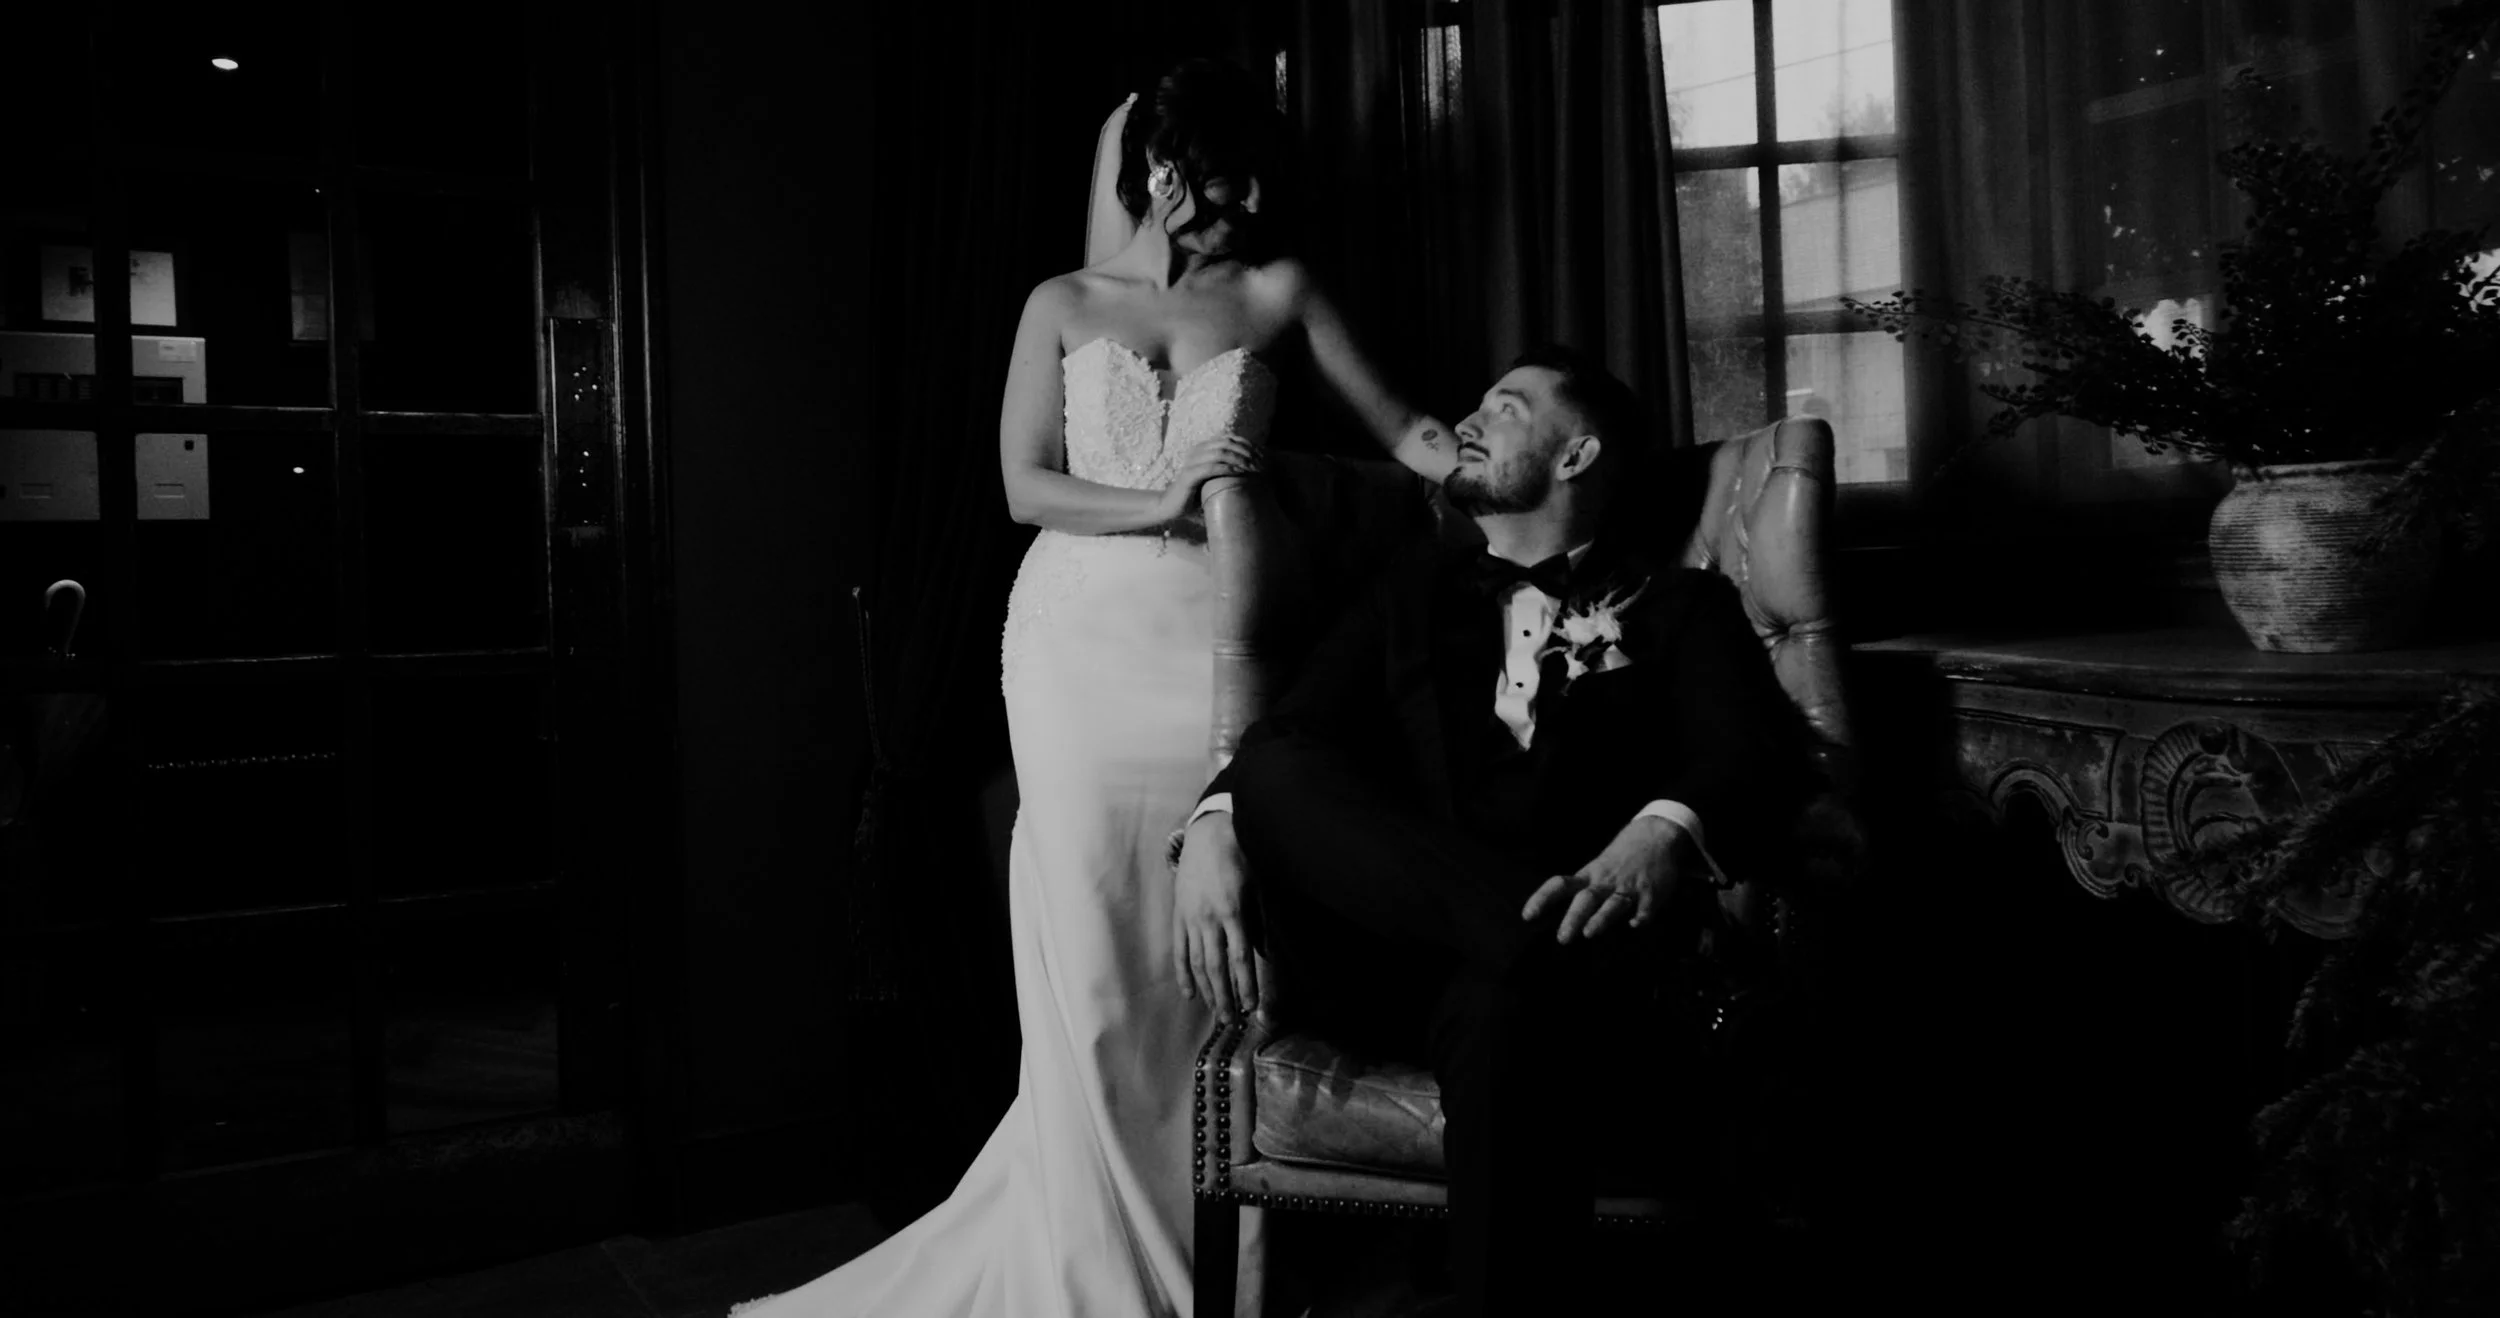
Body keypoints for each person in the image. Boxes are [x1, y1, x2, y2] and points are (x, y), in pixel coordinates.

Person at [732, 58, 1455, 1318]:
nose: (1249, 204)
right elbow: (1024, 486)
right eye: (1225, 178)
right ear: (1162, 174)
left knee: (1211, 940)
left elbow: (1405, 431)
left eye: (1260, 182)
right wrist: (1164, 498)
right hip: (1074, 647)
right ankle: (1101, 1253)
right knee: (1097, 939)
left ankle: (1220, 1248)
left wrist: (1497, 463)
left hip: (1218, 648)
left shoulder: (1278, 290)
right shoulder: (1060, 303)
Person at [1174, 346, 1820, 1318]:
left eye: (1506, 408)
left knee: (1505, 1007)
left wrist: (1662, 830)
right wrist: (1214, 825)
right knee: (1269, 770)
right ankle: (1536, 942)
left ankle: (1531, 954)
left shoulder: (1681, 606)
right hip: (1384, 961)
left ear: (1575, 455)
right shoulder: (1405, 592)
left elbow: (1748, 756)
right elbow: (1287, 738)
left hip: (1530, 989)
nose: (1468, 422)